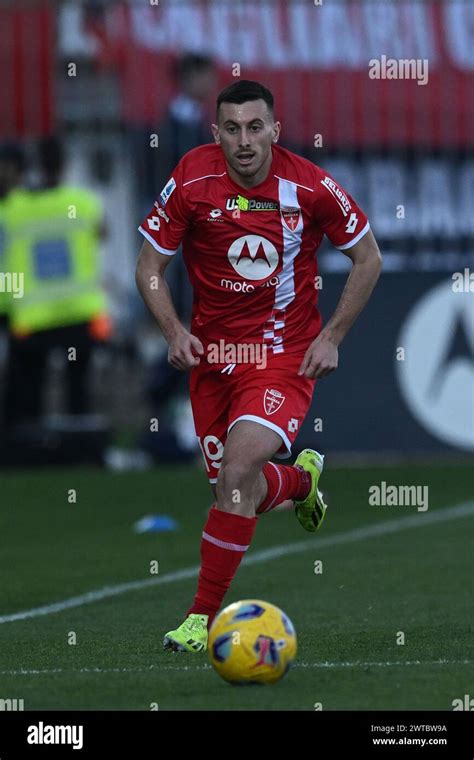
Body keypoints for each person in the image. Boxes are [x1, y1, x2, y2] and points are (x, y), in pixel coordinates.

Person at [136, 80, 382, 653]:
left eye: (255, 127)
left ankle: (199, 618)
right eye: (231, 128)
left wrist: (332, 336)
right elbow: (149, 264)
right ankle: (301, 481)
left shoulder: (311, 186)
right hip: (213, 359)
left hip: (280, 356)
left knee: (240, 467)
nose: (244, 141)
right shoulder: (193, 178)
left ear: (275, 128)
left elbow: (367, 257)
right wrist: (174, 330)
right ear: (215, 131)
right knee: (232, 491)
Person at [4, 136, 111, 426]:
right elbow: (103, 233)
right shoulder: (84, 203)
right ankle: (79, 449)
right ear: (65, 164)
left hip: (33, 316)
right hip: (79, 311)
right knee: (78, 388)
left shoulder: (13, 208)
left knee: (29, 391)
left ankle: (31, 449)